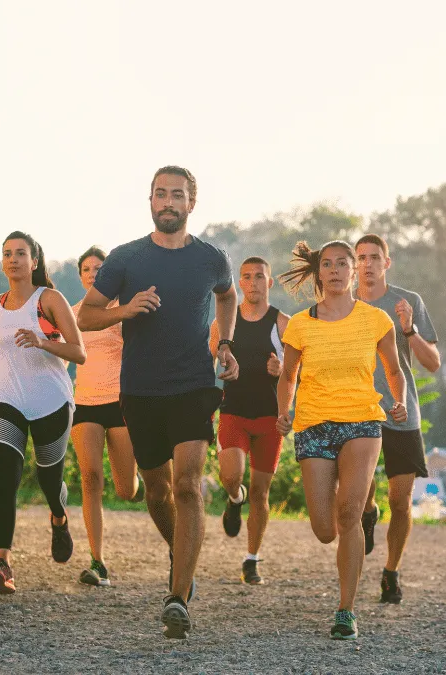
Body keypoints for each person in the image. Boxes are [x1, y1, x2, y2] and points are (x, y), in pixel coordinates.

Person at [77, 166, 238, 639]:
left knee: (187, 486)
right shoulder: (126, 258)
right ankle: (181, 552)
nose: (169, 202)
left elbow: (228, 297)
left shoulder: (211, 258)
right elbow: (86, 316)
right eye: (161, 194)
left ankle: (178, 595)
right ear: (150, 200)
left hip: (193, 386)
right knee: (156, 492)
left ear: (192, 203)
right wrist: (126, 310)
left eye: (178, 195)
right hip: (140, 390)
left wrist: (225, 344)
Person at [275, 240, 407, 640]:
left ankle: (346, 610)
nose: (335, 270)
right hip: (313, 424)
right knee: (324, 529)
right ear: (319, 273)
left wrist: (399, 401)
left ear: (354, 271)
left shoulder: (376, 319)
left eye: (342, 264)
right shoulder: (300, 324)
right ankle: (365, 506)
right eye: (327, 264)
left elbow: (394, 369)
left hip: (362, 421)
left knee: (347, 514)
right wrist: (284, 411)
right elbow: (288, 376)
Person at [0, 231, 86, 595]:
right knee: (6, 477)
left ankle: (59, 517)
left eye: (20, 253)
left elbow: (79, 352)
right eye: (7, 253)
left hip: (50, 400)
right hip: (7, 398)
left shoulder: (49, 300)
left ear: (34, 261)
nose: (13, 259)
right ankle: (2, 563)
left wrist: (42, 342)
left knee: (49, 480)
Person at [354, 234, 442, 605]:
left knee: (401, 501)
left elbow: (432, 363)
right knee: (360, 490)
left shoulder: (408, 303)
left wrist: (409, 328)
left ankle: (391, 571)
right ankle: (368, 511)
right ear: (354, 264)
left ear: (386, 263)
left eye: (375, 257)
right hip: (358, 410)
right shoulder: (344, 304)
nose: (368, 264)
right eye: (361, 258)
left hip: (401, 412)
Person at [208, 257, 289, 585]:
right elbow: (207, 364)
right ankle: (233, 498)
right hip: (234, 411)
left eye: (259, 276)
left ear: (269, 282)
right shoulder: (223, 323)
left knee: (260, 492)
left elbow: (297, 372)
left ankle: (251, 559)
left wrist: (281, 370)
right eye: (246, 277)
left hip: (270, 416)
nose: (253, 282)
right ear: (239, 283)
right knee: (232, 476)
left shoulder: (282, 323)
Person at [69, 246, 144, 588]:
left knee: (125, 489)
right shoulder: (72, 314)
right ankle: (97, 561)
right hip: (84, 403)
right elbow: (61, 356)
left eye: (99, 268)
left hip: (120, 402)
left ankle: (137, 485)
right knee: (90, 478)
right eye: (87, 269)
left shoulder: (124, 311)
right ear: (80, 276)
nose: (93, 274)